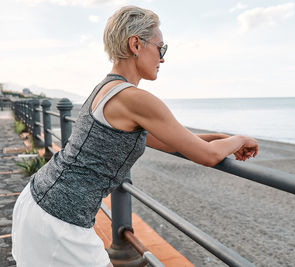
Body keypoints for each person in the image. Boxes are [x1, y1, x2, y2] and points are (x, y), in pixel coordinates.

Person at [12, 5, 258, 267]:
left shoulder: (105, 89)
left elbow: (172, 140)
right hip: (60, 222)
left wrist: (222, 137)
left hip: (38, 201)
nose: (162, 58)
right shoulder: (135, 99)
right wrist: (240, 139)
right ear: (136, 45)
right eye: (160, 48)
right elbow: (207, 156)